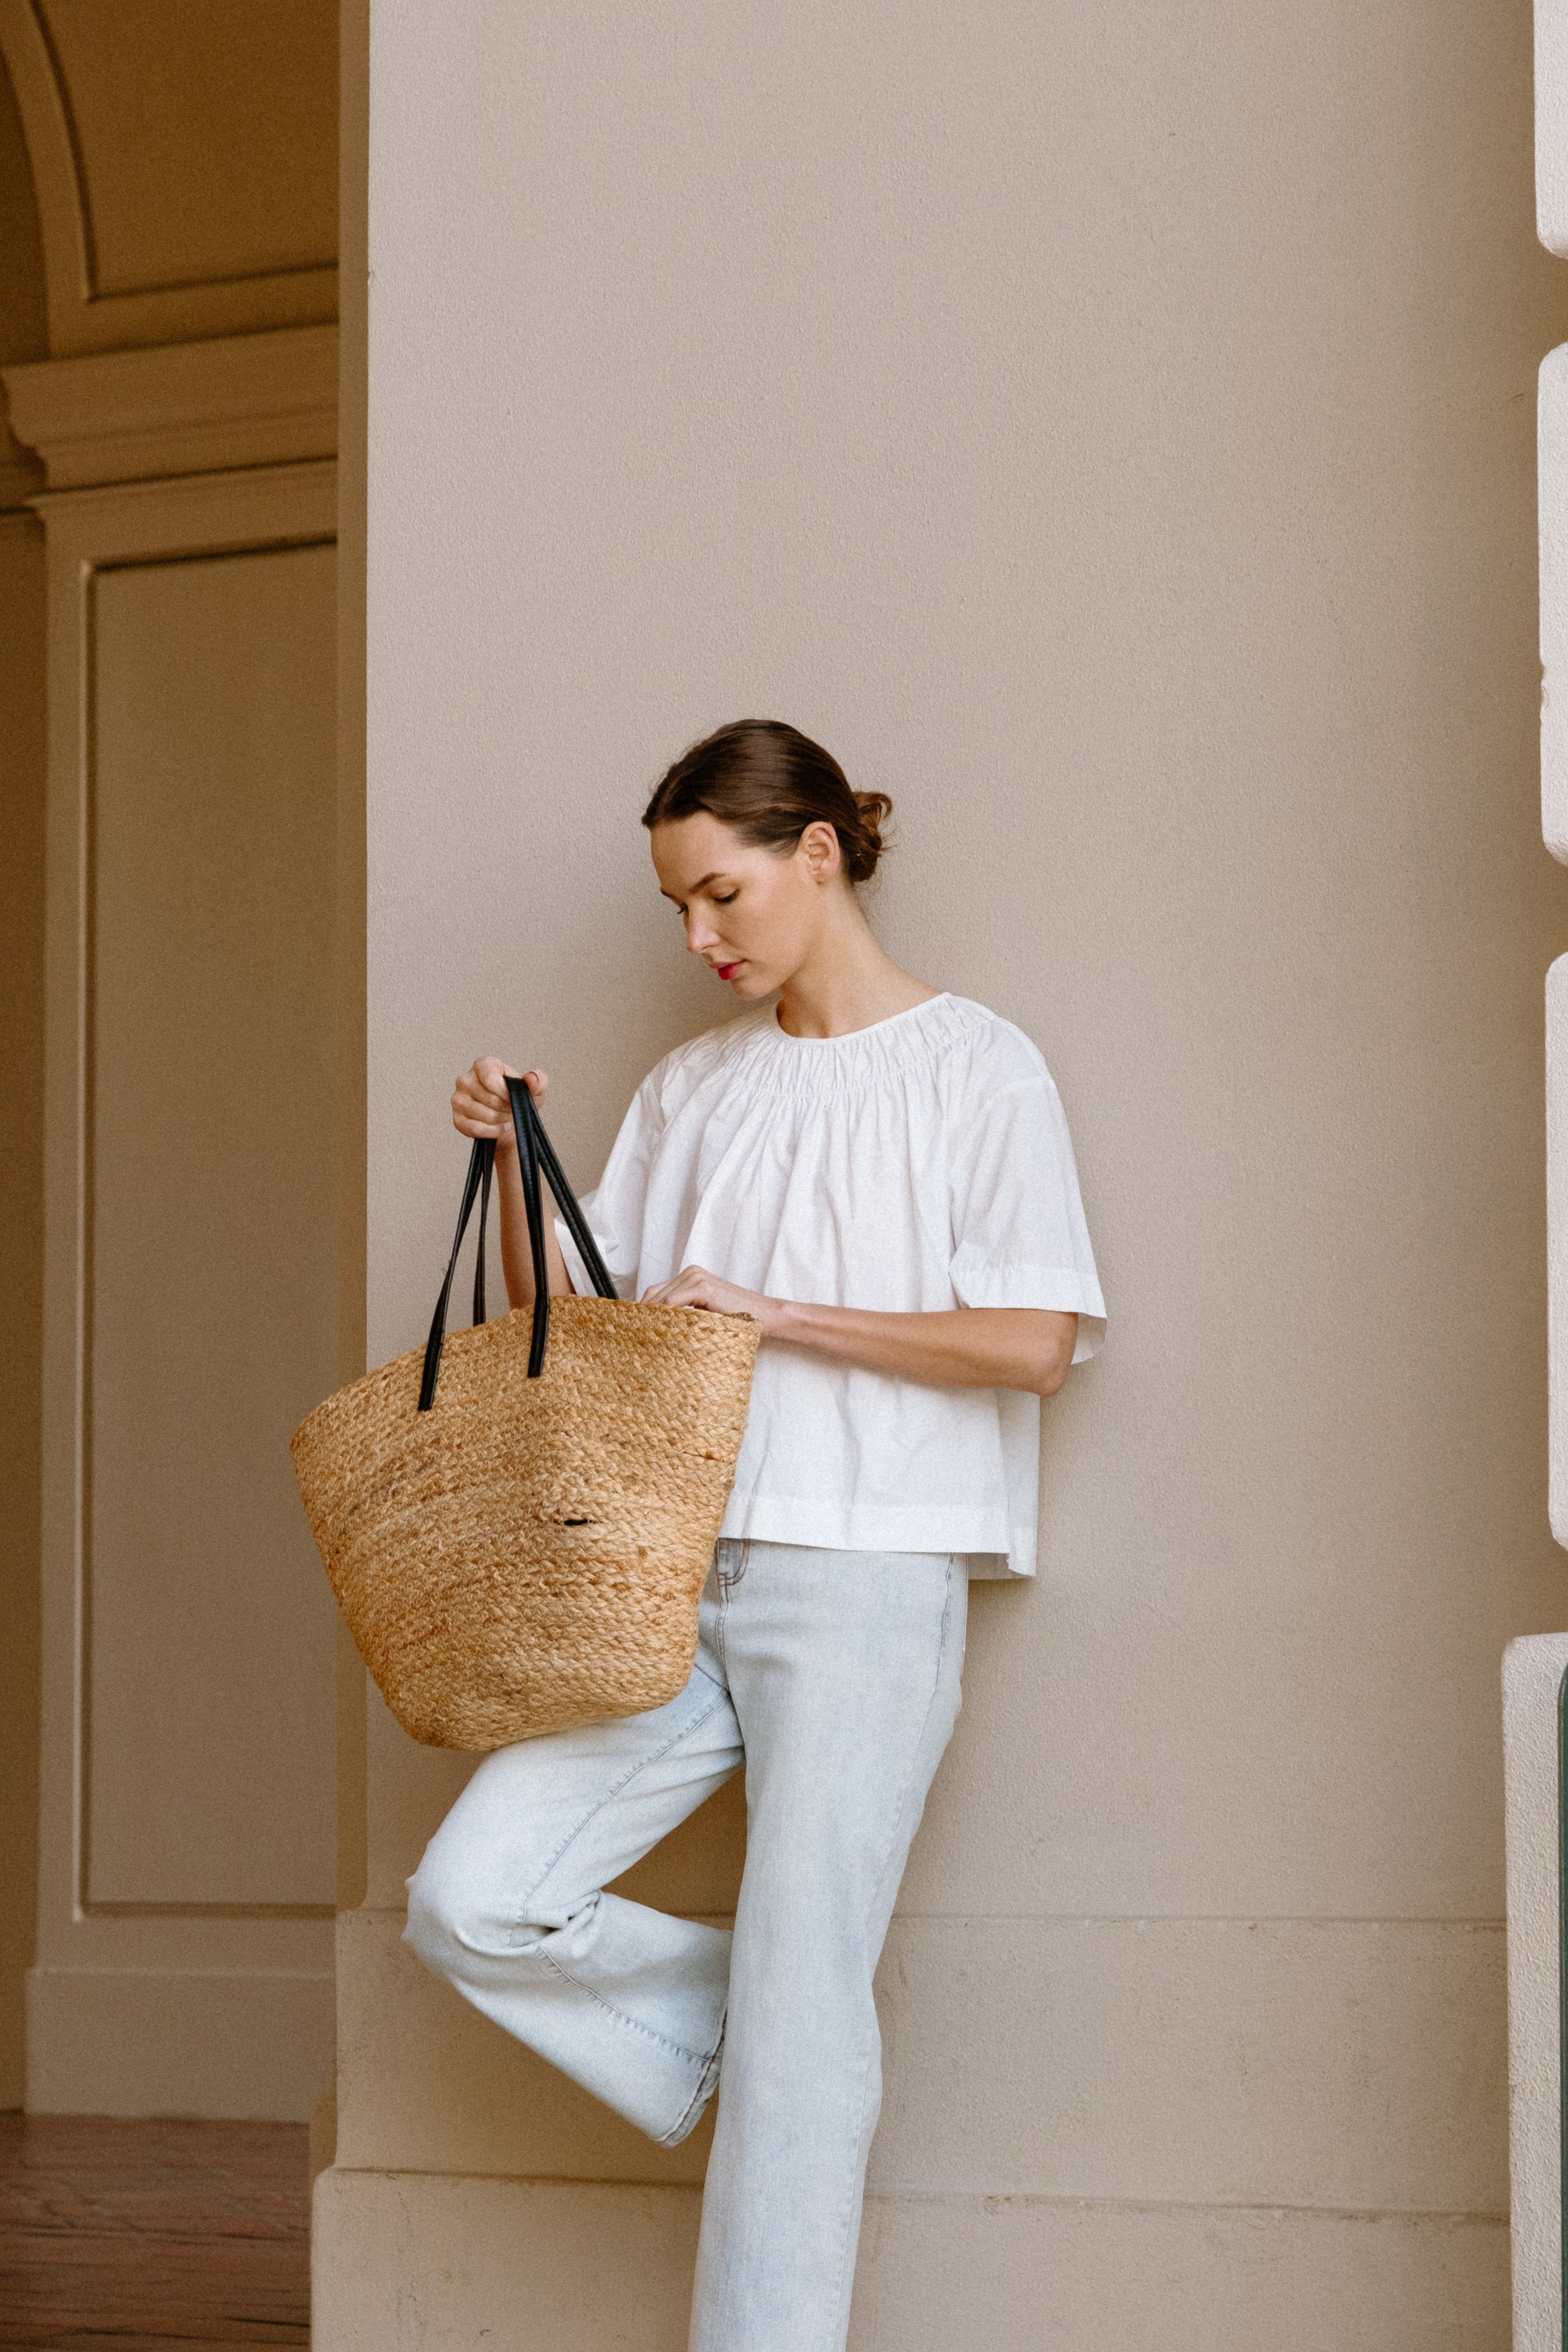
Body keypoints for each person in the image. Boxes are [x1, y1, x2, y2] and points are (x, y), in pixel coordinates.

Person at [404, 717, 1105, 2352]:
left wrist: (777, 1314)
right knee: (474, 1897)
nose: (702, 939)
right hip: (672, 1574)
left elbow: (1034, 1345)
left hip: (865, 1580)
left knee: (808, 2029)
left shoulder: (979, 1067)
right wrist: (516, 1164)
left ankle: (797, 2051)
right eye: (676, 910)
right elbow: (558, 1325)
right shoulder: (694, 1088)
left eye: (720, 894)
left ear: (819, 852)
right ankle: (784, 2023)